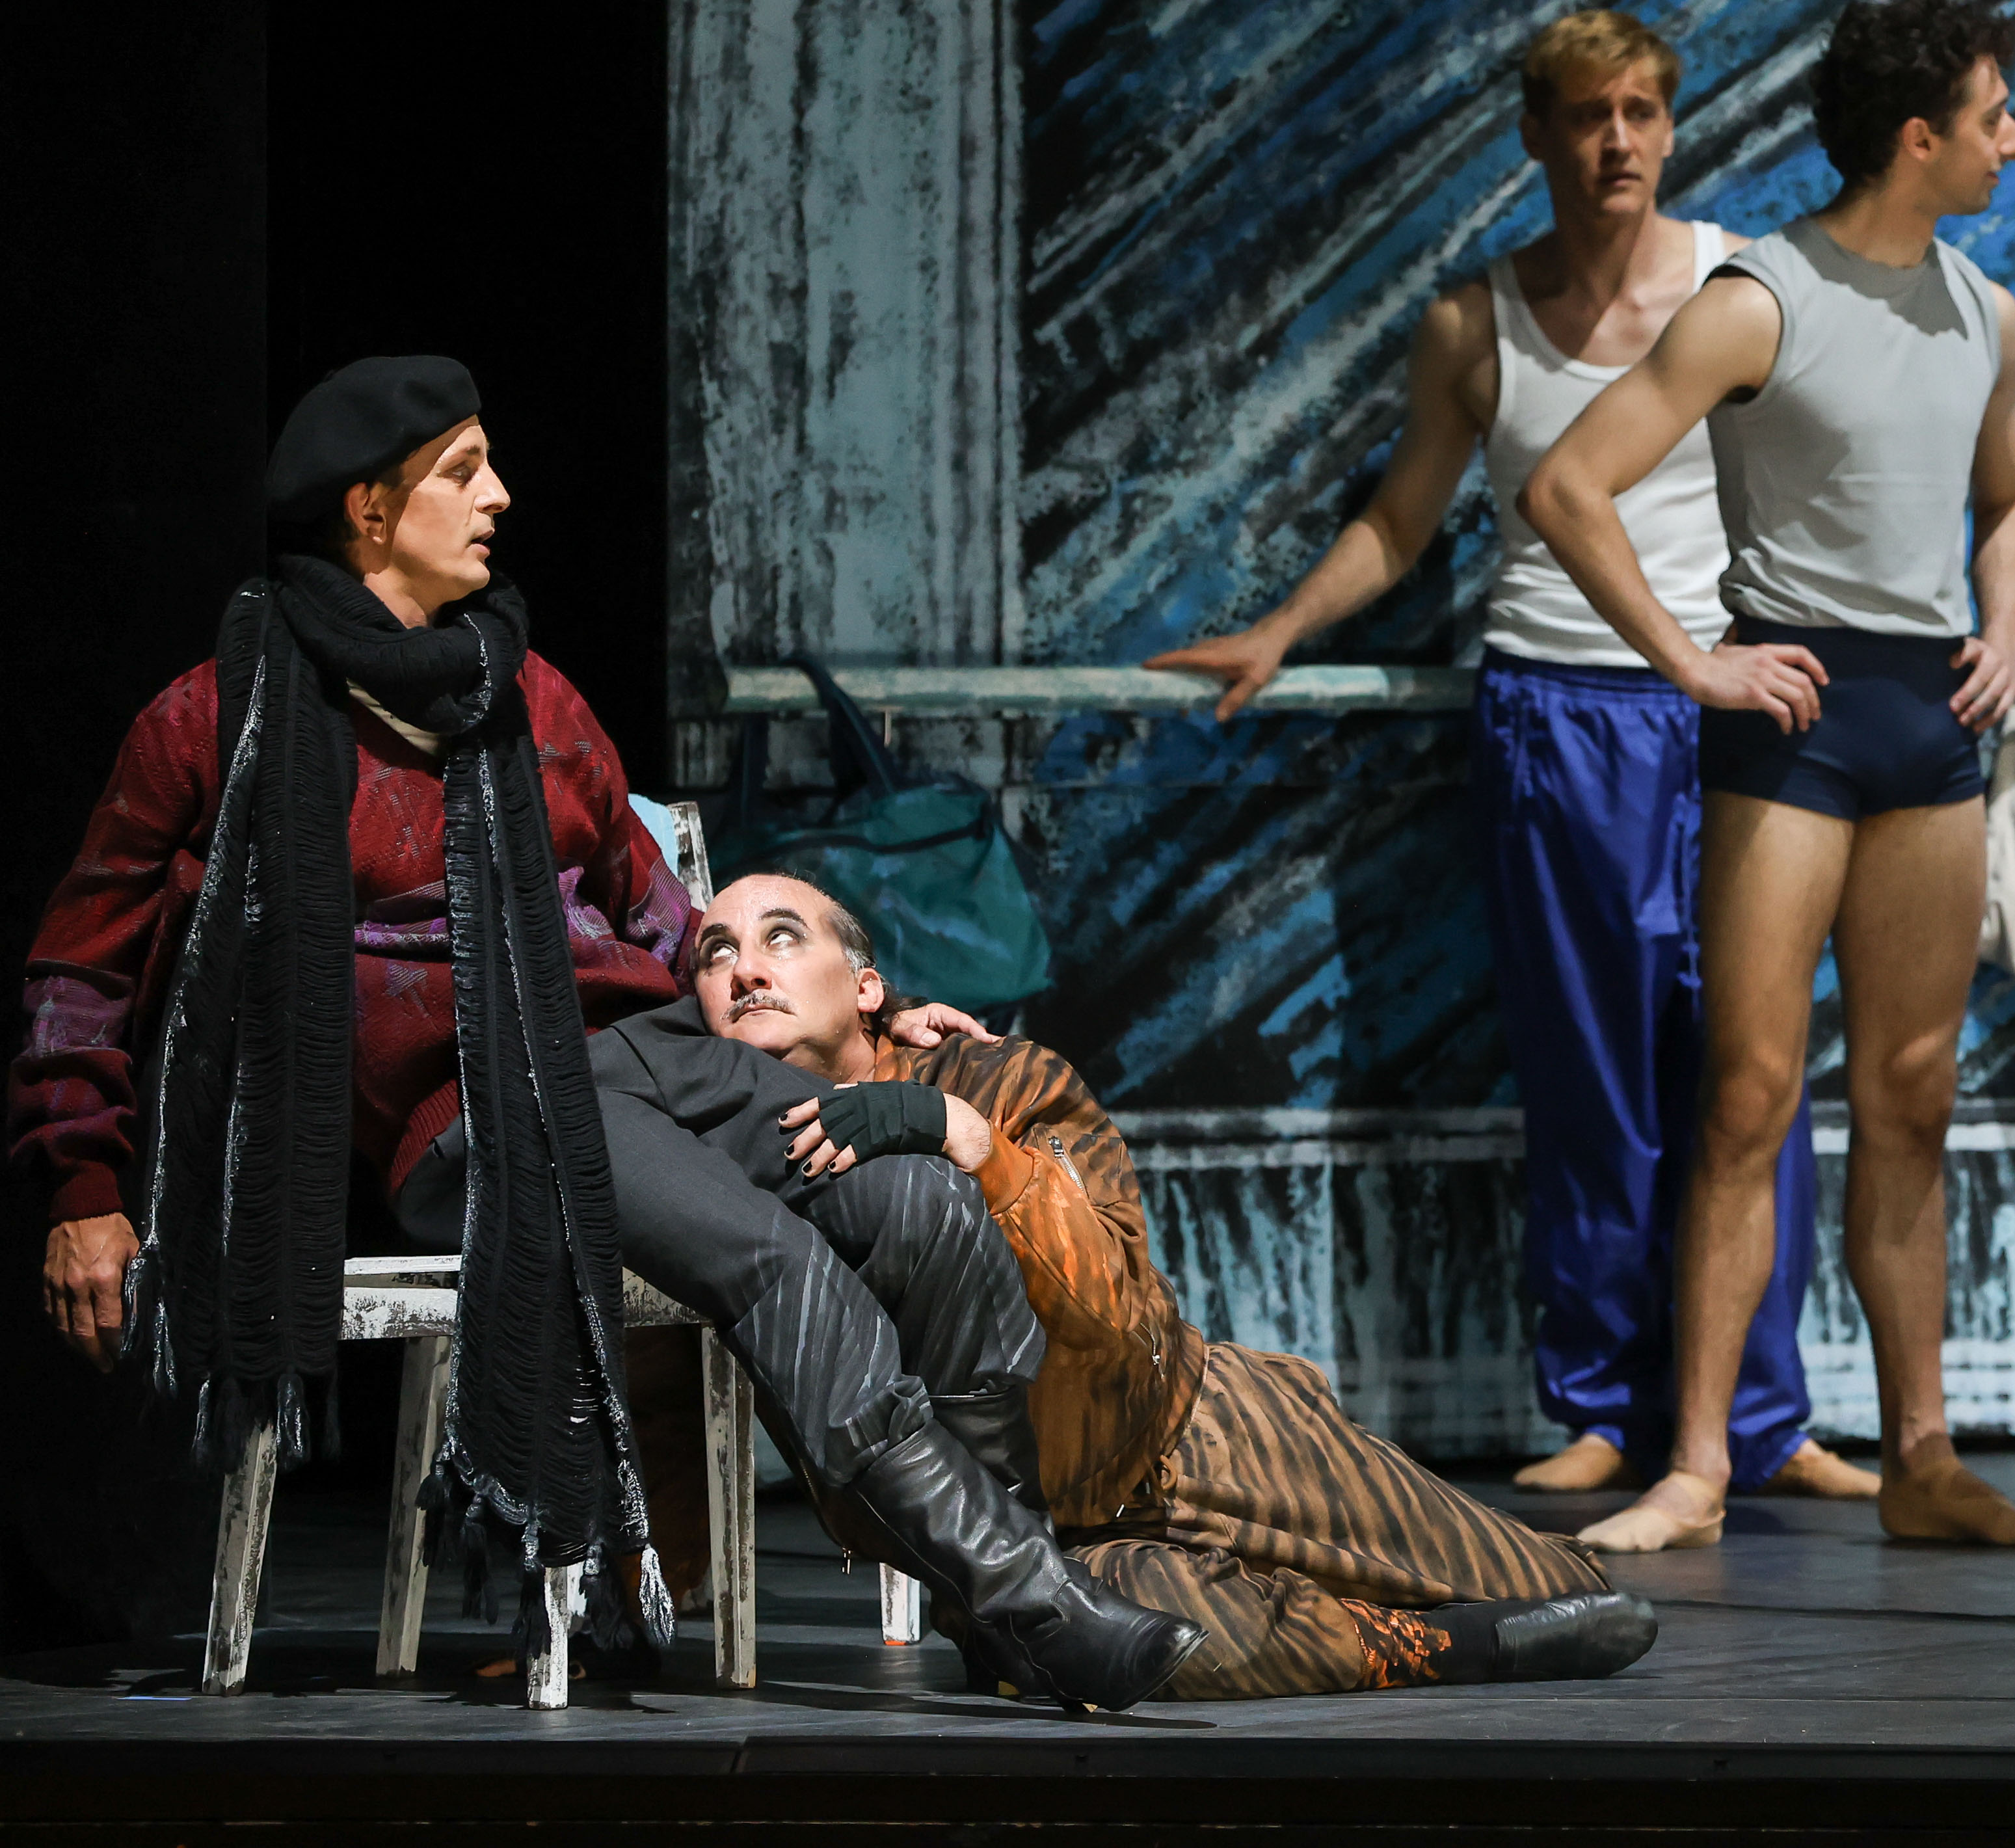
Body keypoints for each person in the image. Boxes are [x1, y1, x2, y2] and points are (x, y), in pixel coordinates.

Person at [14, 358, 1195, 1711]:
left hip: (656, 1061)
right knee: (772, 1260)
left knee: (924, 1205)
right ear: (369, 509)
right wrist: (84, 1185)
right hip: (482, 1113)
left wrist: (858, 1017)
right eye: (463, 471)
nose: (500, 497)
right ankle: (1040, 1604)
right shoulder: (218, 717)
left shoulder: (526, 693)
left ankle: (1001, 1612)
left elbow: (667, 921)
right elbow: (81, 960)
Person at [1147, 10, 1867, 1509]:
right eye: (1589, 114)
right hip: (1561, 718)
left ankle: (1761, 1418)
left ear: (1673, 126)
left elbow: (1831, 478)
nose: (1618, 141)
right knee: (1592, 1078)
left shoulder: (1743, 285)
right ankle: (1602, 1403)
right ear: (1536, 133)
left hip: (1729, 710)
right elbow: (1401, 521)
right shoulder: (1474, 326)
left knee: (1753, 1073)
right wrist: (1280, 630)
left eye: (1642, 111)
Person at [1521, 0, 2015, 1553]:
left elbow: (2011, 499)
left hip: (1928, 723)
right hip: (1792, 721)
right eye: (1997, 117)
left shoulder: (1986, 311)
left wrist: (2006, 628)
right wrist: (1694, 662)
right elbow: (1569, 486)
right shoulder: (1761, 298)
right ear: (1920, 137)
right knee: (1751, 1094)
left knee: (1913, 1096)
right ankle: (1696, 1468)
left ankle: (1924, 1460)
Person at [687, 870, 1658, 1695]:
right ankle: (1434, 1647)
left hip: (1197, 1432)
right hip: (1026, 1547)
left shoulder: (1003, 1080)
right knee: (1119, 1649)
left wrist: (966, 1139)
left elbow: (1113, 1312)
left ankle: (1428, 1613)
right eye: (717, 954)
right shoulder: (714, 1181)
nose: (748, 971)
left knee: (1557, 1588)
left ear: (866, 987)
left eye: (782, 937)